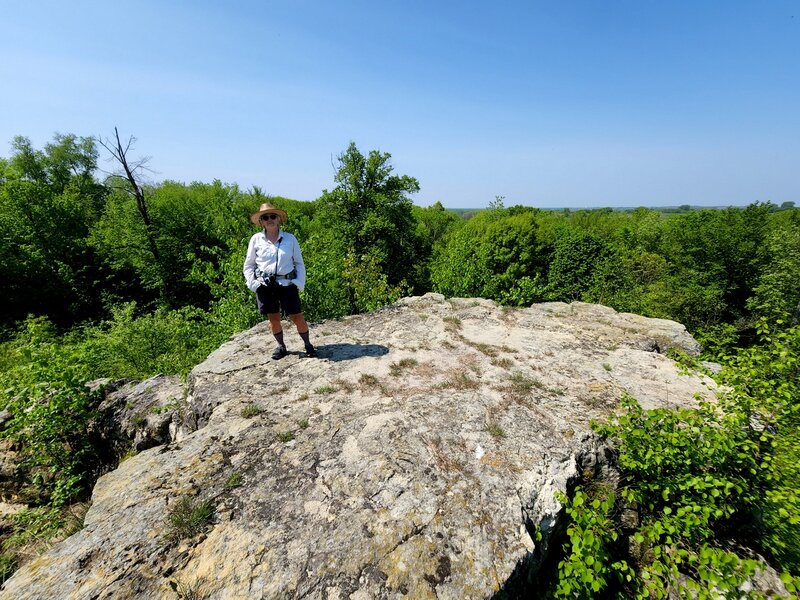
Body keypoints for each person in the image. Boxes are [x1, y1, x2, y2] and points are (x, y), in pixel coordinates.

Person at [243, 203, 316, 359]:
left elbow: (299, 263)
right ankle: (281, 346)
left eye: (272, 216)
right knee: (274, 318)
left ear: (278, 219)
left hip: (287, 284)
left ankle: (308, 345)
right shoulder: (256, 240)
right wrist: (254, 285)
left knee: (297, 316)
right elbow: (249, 265)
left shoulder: (290, 239)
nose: (269, 220)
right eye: (265, 217)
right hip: (265, 286)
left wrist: (298, 283)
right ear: (261, 222)